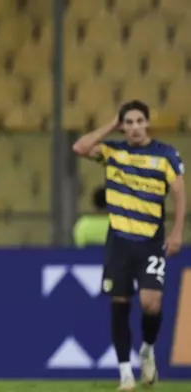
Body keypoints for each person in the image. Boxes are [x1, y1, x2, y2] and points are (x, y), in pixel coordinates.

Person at [73, 100, 186, 391]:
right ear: (124, 126)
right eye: (129, 122)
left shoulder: (165, 155)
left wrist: (176, 231)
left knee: (151, 303)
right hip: (119, 241)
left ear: (147, 123)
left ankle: (147, 350)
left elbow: (179, 193)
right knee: (119, 304)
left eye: (139, 121)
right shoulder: (113, 151)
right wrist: (112, 123)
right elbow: (80, 148)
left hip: (150, 241)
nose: (134, 127)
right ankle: (125, 373)